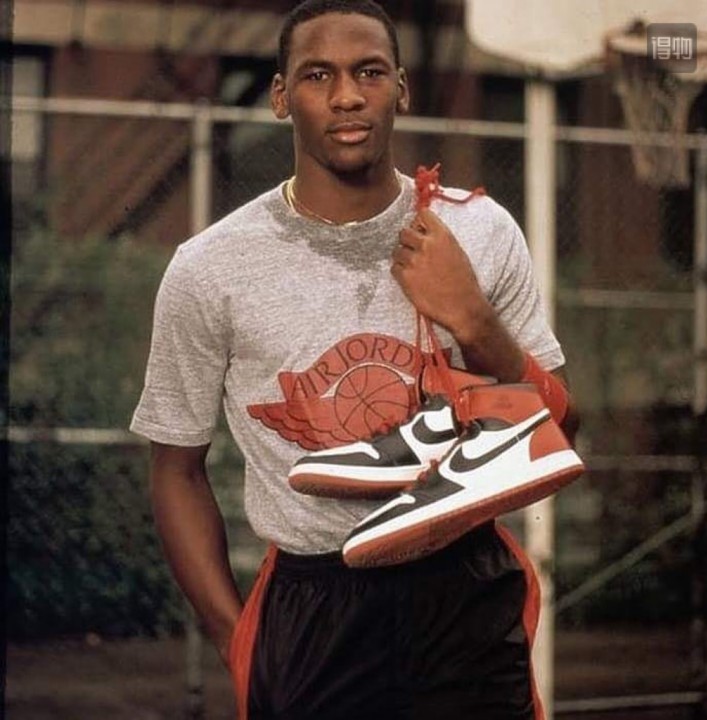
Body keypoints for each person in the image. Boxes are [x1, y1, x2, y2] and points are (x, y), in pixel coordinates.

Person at [131, 1, 580, 718]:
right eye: (318, 75)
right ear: (281, 97)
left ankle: (432, 434)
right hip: (314, 599)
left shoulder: (477, 229)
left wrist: (472, 320)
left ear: (400, 88)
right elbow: (176, 469)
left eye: (369, 72)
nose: (346, 95)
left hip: (462, 586)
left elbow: (561, 429)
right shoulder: (210, 268)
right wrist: (234, 638)